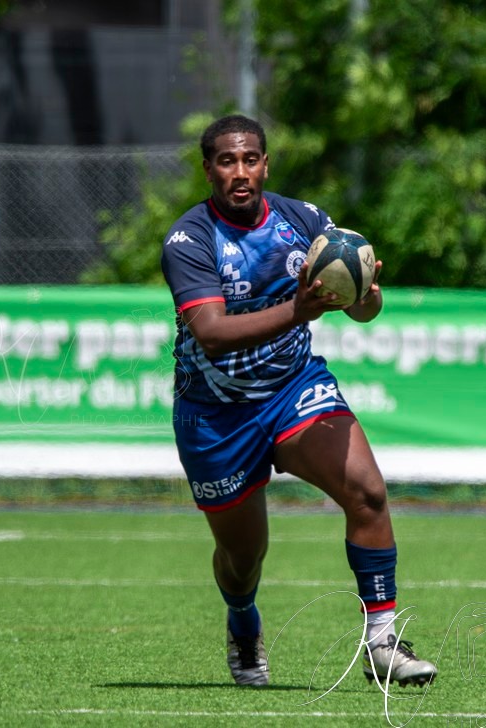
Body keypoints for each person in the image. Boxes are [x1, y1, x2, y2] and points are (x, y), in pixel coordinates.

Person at [160, 114, 437, 689]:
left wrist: (362, 293)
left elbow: (362, 310)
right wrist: (300, 310)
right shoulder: (188, 240)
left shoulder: (304, 220)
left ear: (265, 163)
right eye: (227, 161)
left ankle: (382, 642)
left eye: (251, 159)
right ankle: (242, 623)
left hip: (292, 388)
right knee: (242, 561)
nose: (241, 172)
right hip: (215, 413)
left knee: (367, 492)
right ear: (209, 169)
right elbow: (210, 332)